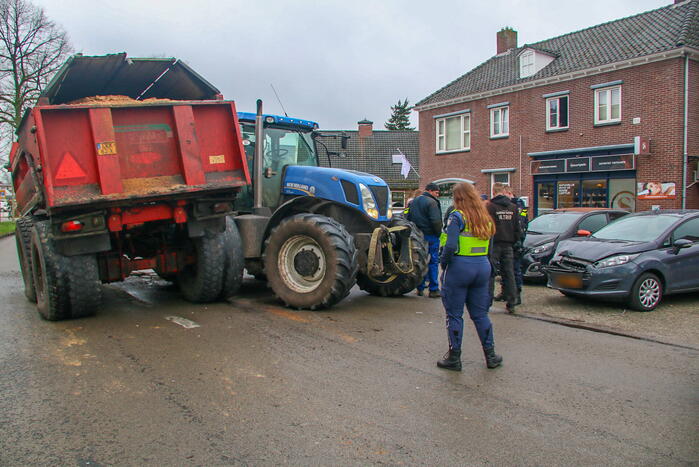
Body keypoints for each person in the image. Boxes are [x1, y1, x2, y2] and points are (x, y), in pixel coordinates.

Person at [437, 182, 502, 371]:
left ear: (458, 198)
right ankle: (490, 356)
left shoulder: (457, 217)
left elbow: (450, 245)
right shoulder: (485, 217)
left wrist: (444, 263)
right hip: (482, 266)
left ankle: (454, 358)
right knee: (481, 315)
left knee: (454, 315)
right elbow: (490, 247)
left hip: (460, 267)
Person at [486, 183, 523, 313]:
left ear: (493, 191)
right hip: (509, 244)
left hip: (494, 244)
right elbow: (518, 228)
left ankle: (487, 302)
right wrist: (516, 241)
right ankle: (511, 302)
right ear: (503, 191)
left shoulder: (490, 206)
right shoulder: (513, 207)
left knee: (490, 273)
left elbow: (488, 227)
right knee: (509, 273)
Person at [407, 182, 442, 298]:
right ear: (430, 191)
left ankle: (420, 287)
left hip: (417, 236)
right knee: (433, 262)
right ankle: (434, 289)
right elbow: (436, 221)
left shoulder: (414, 202)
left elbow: (409, 218)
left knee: (420, 262)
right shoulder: (432, 202)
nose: (437, 195)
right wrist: (438, 233)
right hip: (431, 235)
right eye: (436, 192)